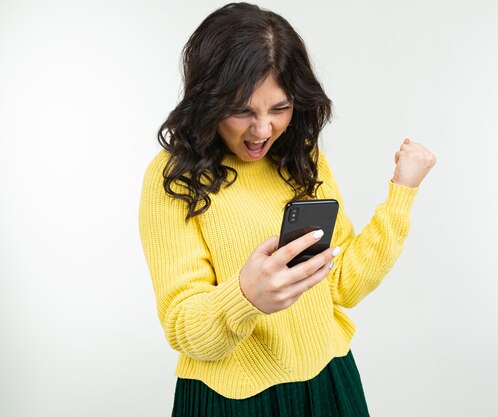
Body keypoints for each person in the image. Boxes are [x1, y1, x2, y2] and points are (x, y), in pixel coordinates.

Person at [139, 2, 436, 416]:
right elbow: (183, 326)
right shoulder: (172, 178)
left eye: (279, 108)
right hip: (231, 399)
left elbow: (343, 284)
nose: (263, 130)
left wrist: (402, 193)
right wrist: (246, 296)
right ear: (208, 100)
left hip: (329, 378)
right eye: (242, 110)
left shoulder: (301, 156)